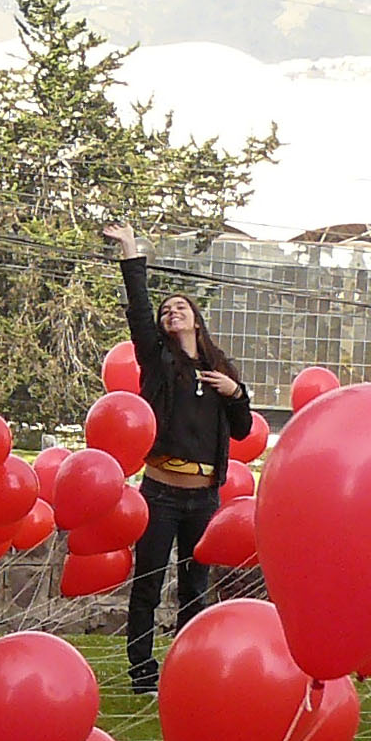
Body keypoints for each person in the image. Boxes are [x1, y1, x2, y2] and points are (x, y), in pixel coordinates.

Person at [100, 223, 251, 693]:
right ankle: (143, 675)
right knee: (147, 584)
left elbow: (243, 429)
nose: (171, 313)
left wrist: (237, 393)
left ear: (197, 320)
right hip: (160, 494)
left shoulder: (220, 370)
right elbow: (140, 310)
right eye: (167, 310)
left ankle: (188, 669)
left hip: (204, 499)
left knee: (194, 589)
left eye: (180, 308)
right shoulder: (159, 361)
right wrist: (131, 250)